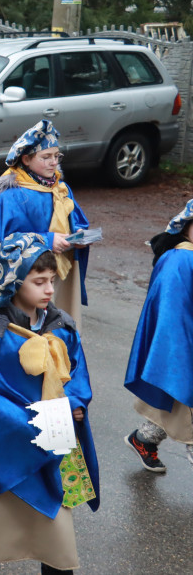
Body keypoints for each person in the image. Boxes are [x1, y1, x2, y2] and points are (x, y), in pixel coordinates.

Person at [0, 233, 99, 575]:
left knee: (58, 546)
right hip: (4, 452)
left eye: (52, 281)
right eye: (39, 281)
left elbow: (78, 376)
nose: (49, 290)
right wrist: (28, 421)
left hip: (53, 449)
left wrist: (74, 405)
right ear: (15, 281)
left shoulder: (63, 329)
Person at [0, 119, 89, 330]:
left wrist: (80, 236)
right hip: (23, 280)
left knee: (54, 333)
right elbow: (2, 243)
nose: (54, 162)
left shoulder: (60, 188)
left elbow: (76, 220)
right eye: (46, 157)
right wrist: (47, 240)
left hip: (56, 274)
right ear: (26, 159)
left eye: (57, 156)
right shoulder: (10, 197)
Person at [123, 199, 193, 473]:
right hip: (183, 347)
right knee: (184, 407)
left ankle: (143, 440)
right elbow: (170, 316)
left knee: (173, 405)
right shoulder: (179, 260)